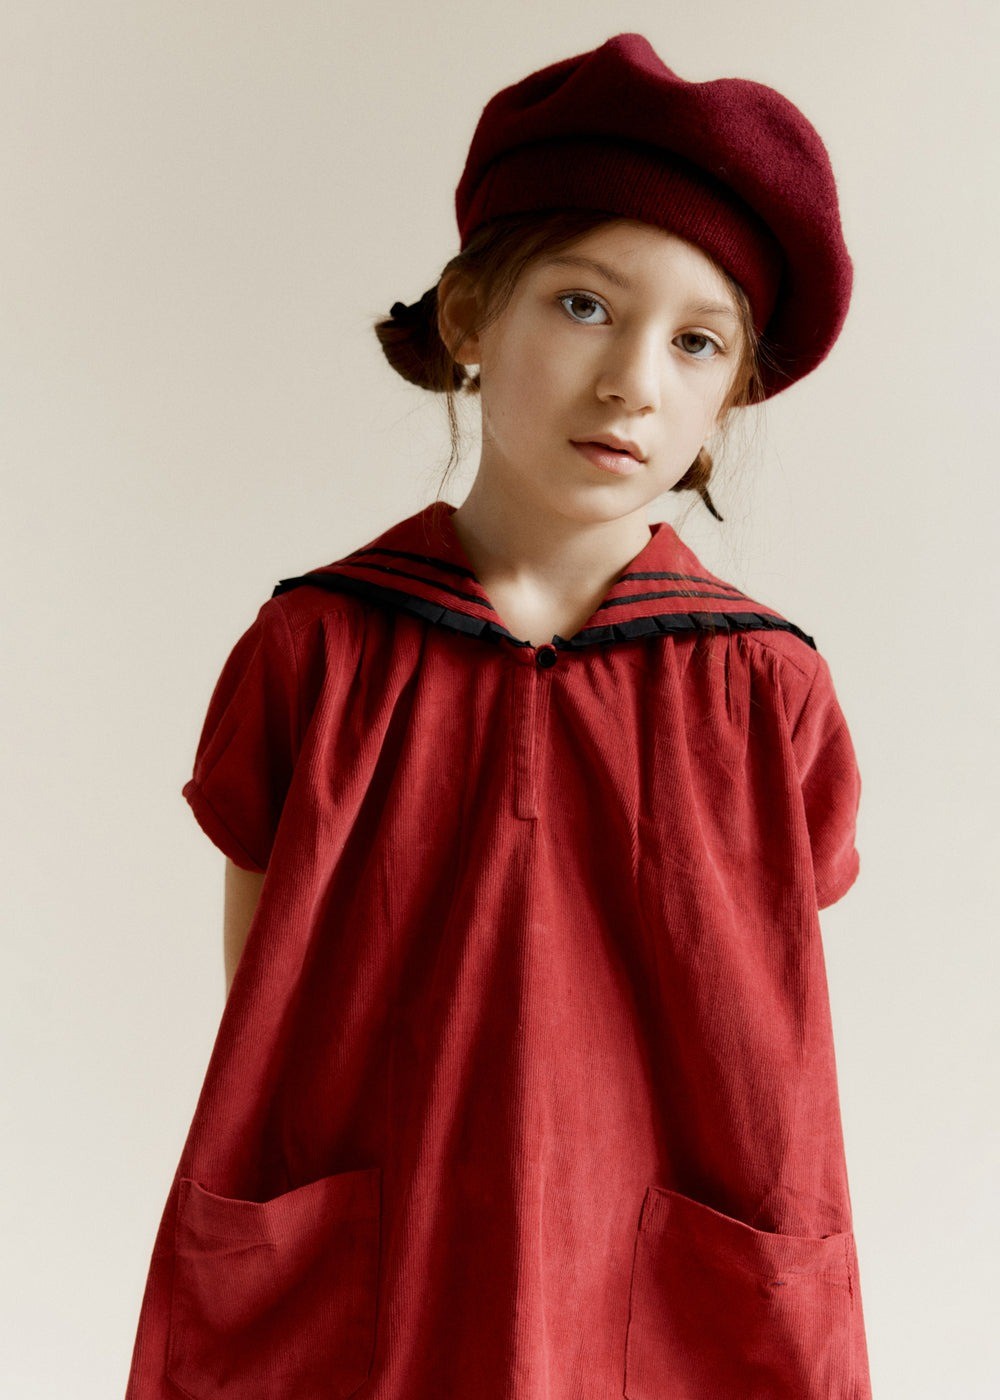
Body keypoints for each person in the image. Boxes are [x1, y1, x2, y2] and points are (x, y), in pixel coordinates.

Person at [124, 32, 873, 1399]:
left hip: (670, 1301)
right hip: (378, 1275)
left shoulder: (765, 691)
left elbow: (776, 1018)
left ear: (727, 399)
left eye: (696, 342)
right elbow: (264, 1014)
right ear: (470, 318)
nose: (634, 380)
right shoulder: (321, 652)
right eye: (584, 304)